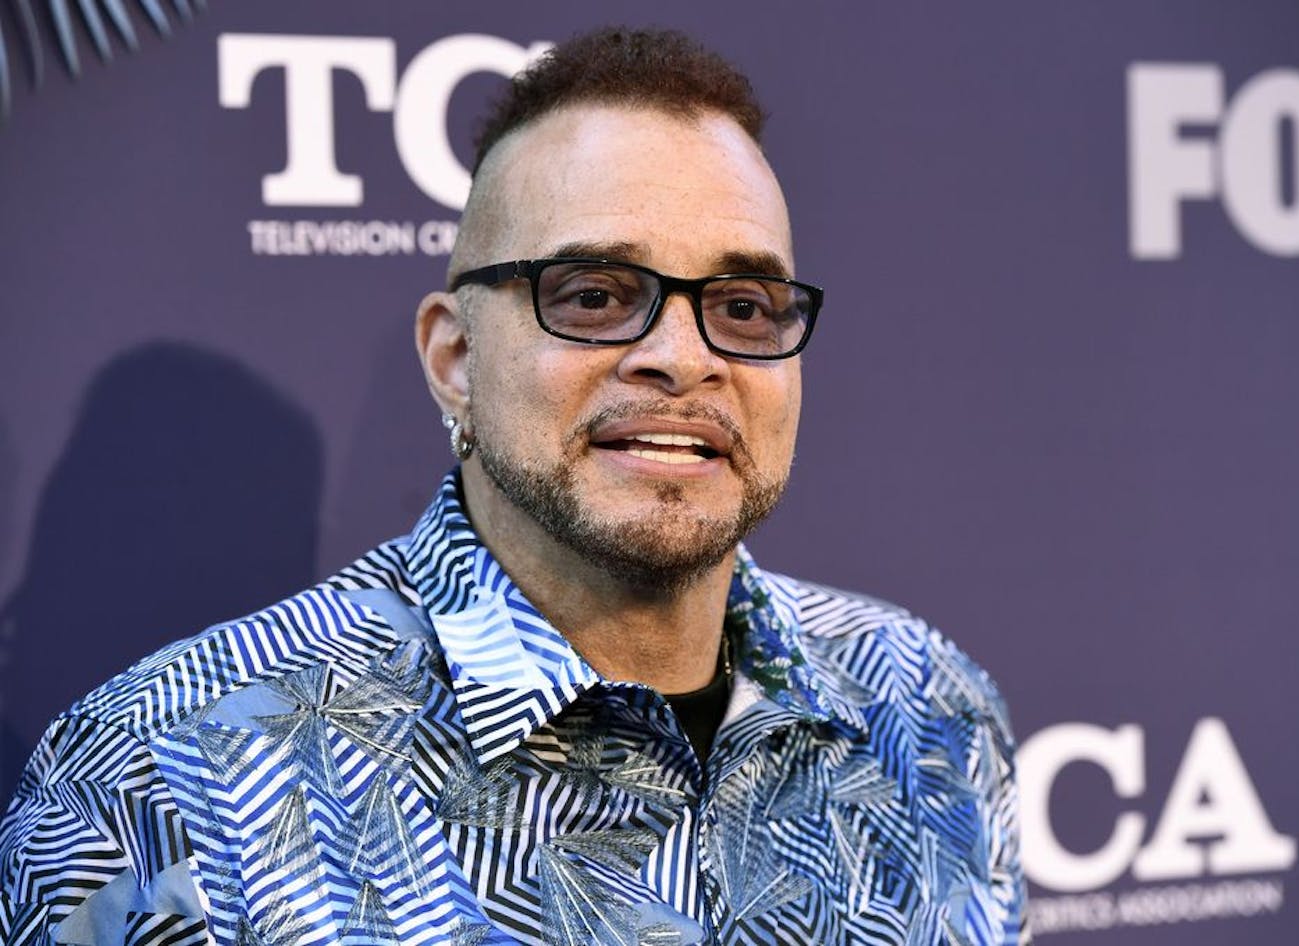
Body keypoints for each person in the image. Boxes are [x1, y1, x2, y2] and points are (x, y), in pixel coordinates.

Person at [0, 27, 1026, 946]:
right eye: (593, 294)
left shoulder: (927, 707)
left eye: (744, 306)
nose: (682, 355)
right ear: (453, 358)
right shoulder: (162, 778)